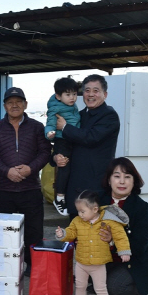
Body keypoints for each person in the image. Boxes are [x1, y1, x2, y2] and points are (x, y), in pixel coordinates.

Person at [0, 87, 52, 276]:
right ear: (4, 106)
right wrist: (6, 171)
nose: (15, 105)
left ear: (25, 104)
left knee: (33, 230)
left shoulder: (37, 127)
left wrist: (31, 168)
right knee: (6, 232)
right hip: (5, 189)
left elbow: (45, 151)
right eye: (10, 102)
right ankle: (9, 266)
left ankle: (32, 267)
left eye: (18, 101)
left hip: (31, 188)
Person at [55, 190, 131, 295]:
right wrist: (63, 234)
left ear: (95, 209)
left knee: (101, 289)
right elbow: (71, 233)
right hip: (81, 262)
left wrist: (124, 251)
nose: (80, 214)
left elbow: (120, 236)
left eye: (83, 211)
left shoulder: (108, 221)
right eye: (78, 211)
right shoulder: (77, 221)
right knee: (80, 285)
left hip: (98, 264)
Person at [98, 157, 148, 295]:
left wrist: (112, 241)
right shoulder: (97, 201)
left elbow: (140, 245)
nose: (122, 181)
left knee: (115, 286)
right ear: (109, 179)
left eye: (127, 177)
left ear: (134, 182)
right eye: (117, 176)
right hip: (102, 258)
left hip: (132, 259)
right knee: (83, 274)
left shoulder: (141, 207)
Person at [54, 74, 120, 219]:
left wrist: (65, 128)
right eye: (87, 90)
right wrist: (56, 157)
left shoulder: (109, 115)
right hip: (74, 186)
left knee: (96, 235)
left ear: (105, 94)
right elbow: (63, 142)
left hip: (96, 187)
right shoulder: (79, 115)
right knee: (76, 232)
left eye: (96, 91)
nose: (91, 94)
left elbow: (91, 137)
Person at [45, 77, 81, 217]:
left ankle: (65, 196)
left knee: (71, 168)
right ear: (58, 96)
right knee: (64, 168)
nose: (72, 97)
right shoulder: (56, 107)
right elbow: (50, 122)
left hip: (71, 140)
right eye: (68, 94)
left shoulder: (72, 106)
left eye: (74, 94)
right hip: (62, 141)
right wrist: (49, 132)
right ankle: (59, 197)